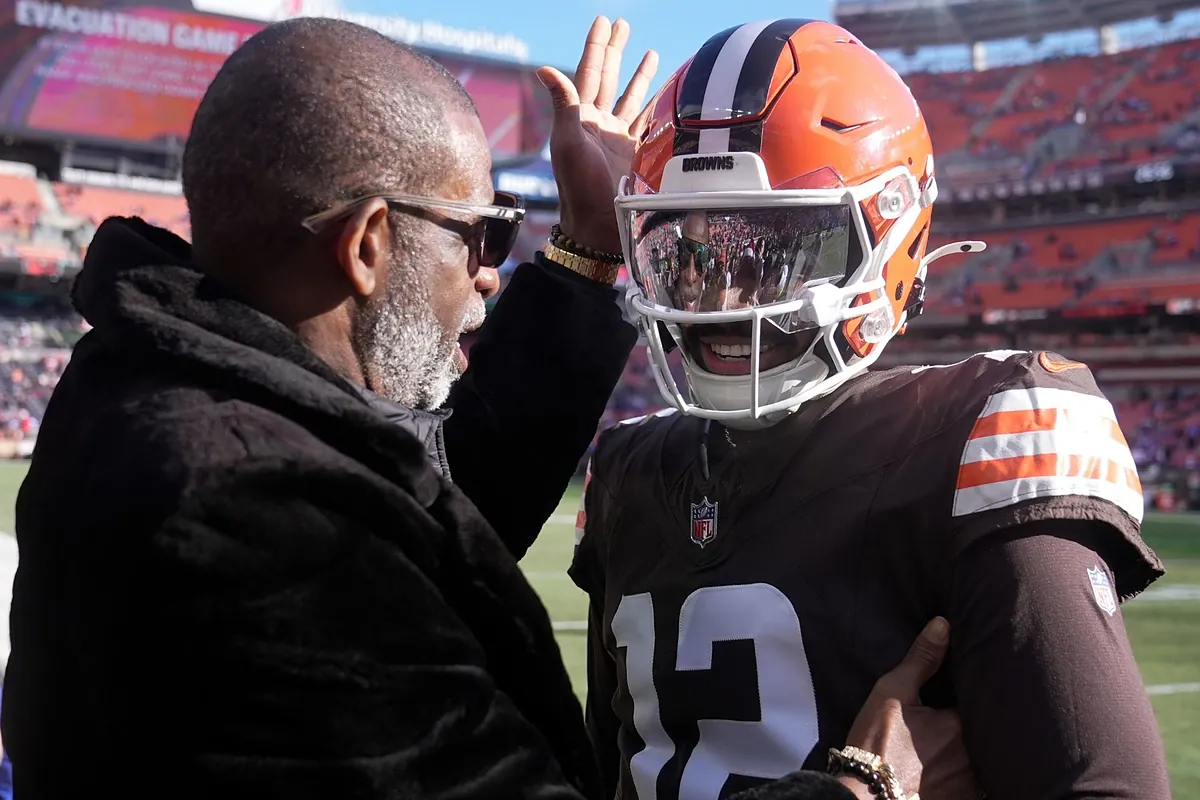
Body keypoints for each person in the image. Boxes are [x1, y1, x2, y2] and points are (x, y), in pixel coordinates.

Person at [1, 15, 968, 800]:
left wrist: (588, 249)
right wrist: (859, 792)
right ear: (370, 245)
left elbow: (427, 508)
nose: (488, 278)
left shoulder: (167, 395)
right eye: (485, 233)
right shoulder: (250, 514)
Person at [572, 19, 1171, 800]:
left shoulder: (977, 431)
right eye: (684, 253)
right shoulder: (628, 470)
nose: (716, 298)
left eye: (770, 251)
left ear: (891, 231)